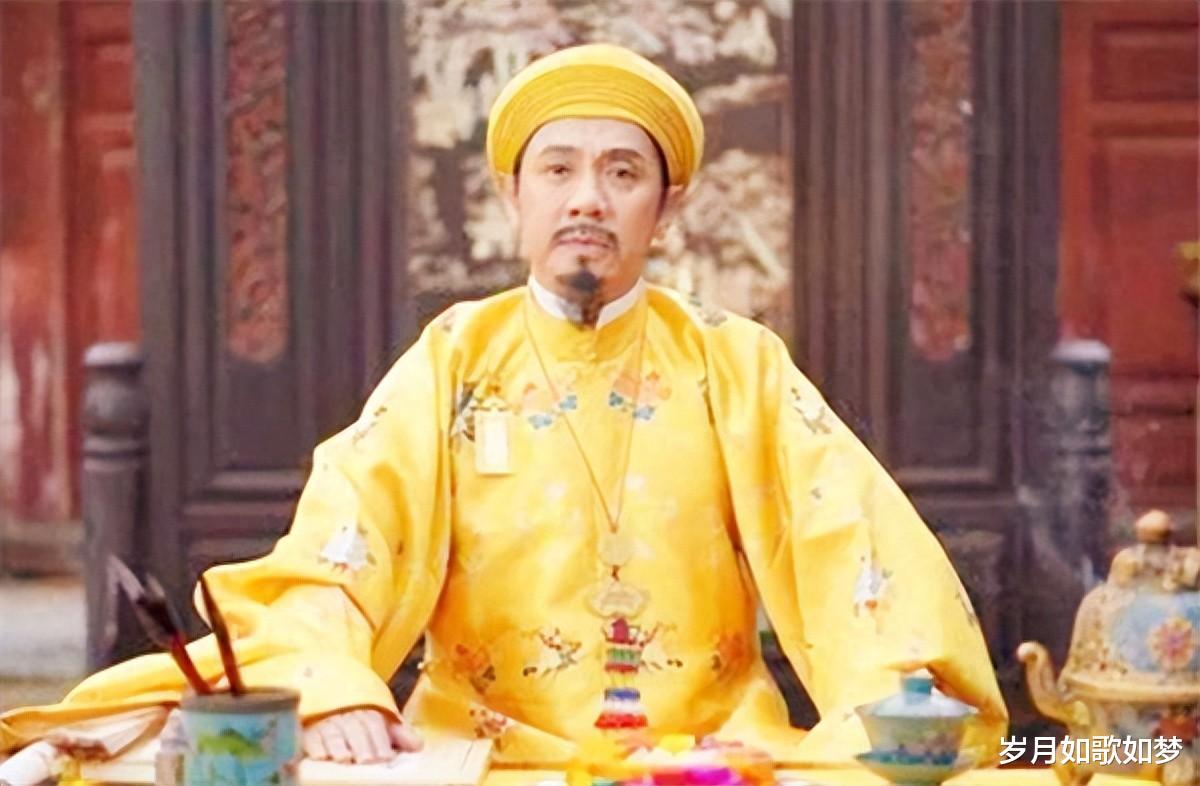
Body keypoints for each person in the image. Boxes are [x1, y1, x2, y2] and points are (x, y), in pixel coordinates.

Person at [0, 43, 1006, 770]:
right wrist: (334, 689)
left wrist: (897, 705)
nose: (587, 199)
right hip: (480, 757)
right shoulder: (453, 362)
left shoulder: (736, 365)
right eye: (558, 170)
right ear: (513, 197)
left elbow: (854, 549)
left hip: (703, 758)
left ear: (667, 208)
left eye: (623, 174)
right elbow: (338, 553)